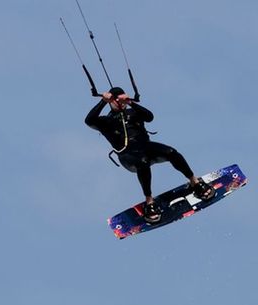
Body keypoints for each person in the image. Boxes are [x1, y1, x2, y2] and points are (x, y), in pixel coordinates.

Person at [85, 86, 214, 224]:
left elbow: (149, 117)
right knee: (142, 162)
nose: (119, 103)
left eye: (121, 100)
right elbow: (89, 121)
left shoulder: (133, 112)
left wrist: (130, 102)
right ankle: (149, 201)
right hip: (127, 155)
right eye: (116, 101)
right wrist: (103, 101)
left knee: (171, 152)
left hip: (146, 147)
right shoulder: (105, 121)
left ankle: (194, 181)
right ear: (111, 102)